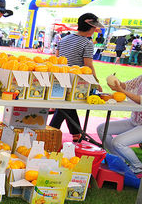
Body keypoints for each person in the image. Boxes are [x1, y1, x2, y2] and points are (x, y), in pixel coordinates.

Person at [48, 13, 104, 142]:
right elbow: (88, 66)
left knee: (66, 106)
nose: (95, 30)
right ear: (90, 27)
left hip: (59, 78)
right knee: (66, 106)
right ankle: (53, 131)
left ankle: (76, 134)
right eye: (94, 27)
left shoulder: (64, 39)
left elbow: (57, 58)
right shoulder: (87, 43)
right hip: (76, 82)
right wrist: (95, 82)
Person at [98, 74, 142, 176]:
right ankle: (120, 160)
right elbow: (126, 85)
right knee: (102, 129)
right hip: (135, 121)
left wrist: (121, 91)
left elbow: (140, 100)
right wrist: (117, 83)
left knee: (118, 142)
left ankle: (138, 167)